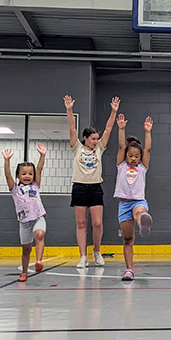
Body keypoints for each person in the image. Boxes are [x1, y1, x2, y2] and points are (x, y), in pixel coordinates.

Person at [64, 95, 119, 268]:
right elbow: (72, 127)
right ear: (85, 138)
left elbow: (109, 128)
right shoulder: (77, 147)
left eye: (97, 139)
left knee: (97, 223)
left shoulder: (100, 149)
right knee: (81, 224)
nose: (96, 141)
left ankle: (96, 251)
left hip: (95, 188)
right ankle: (82, 256)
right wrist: (69, 109)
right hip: (79, 187)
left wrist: (113, 112)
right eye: (93, 139)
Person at [113, 113, 153, 281]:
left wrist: (148, 132)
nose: (134, 159)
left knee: (139, 212)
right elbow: (122, 147)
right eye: (131, 156)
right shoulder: (121, 165)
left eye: (137, 156)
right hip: (124, 204)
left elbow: (148, 149)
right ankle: (129, 270)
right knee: (128, 239)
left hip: (138, 201)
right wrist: (121, 129)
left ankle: (143, 220)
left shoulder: (142, 168)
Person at [2, 145, 47, 282]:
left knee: (39, 234)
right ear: (18, 176)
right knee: (26, 249)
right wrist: (7, 161)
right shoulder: (15, 189)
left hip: (38, 217)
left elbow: (39, 169)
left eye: (30, 174)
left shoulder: (35, 186)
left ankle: (39, 261)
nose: (27, 176)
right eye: (24, 174)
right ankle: (24, 272)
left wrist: (42, 156)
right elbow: (7, 175)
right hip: (24, 222)